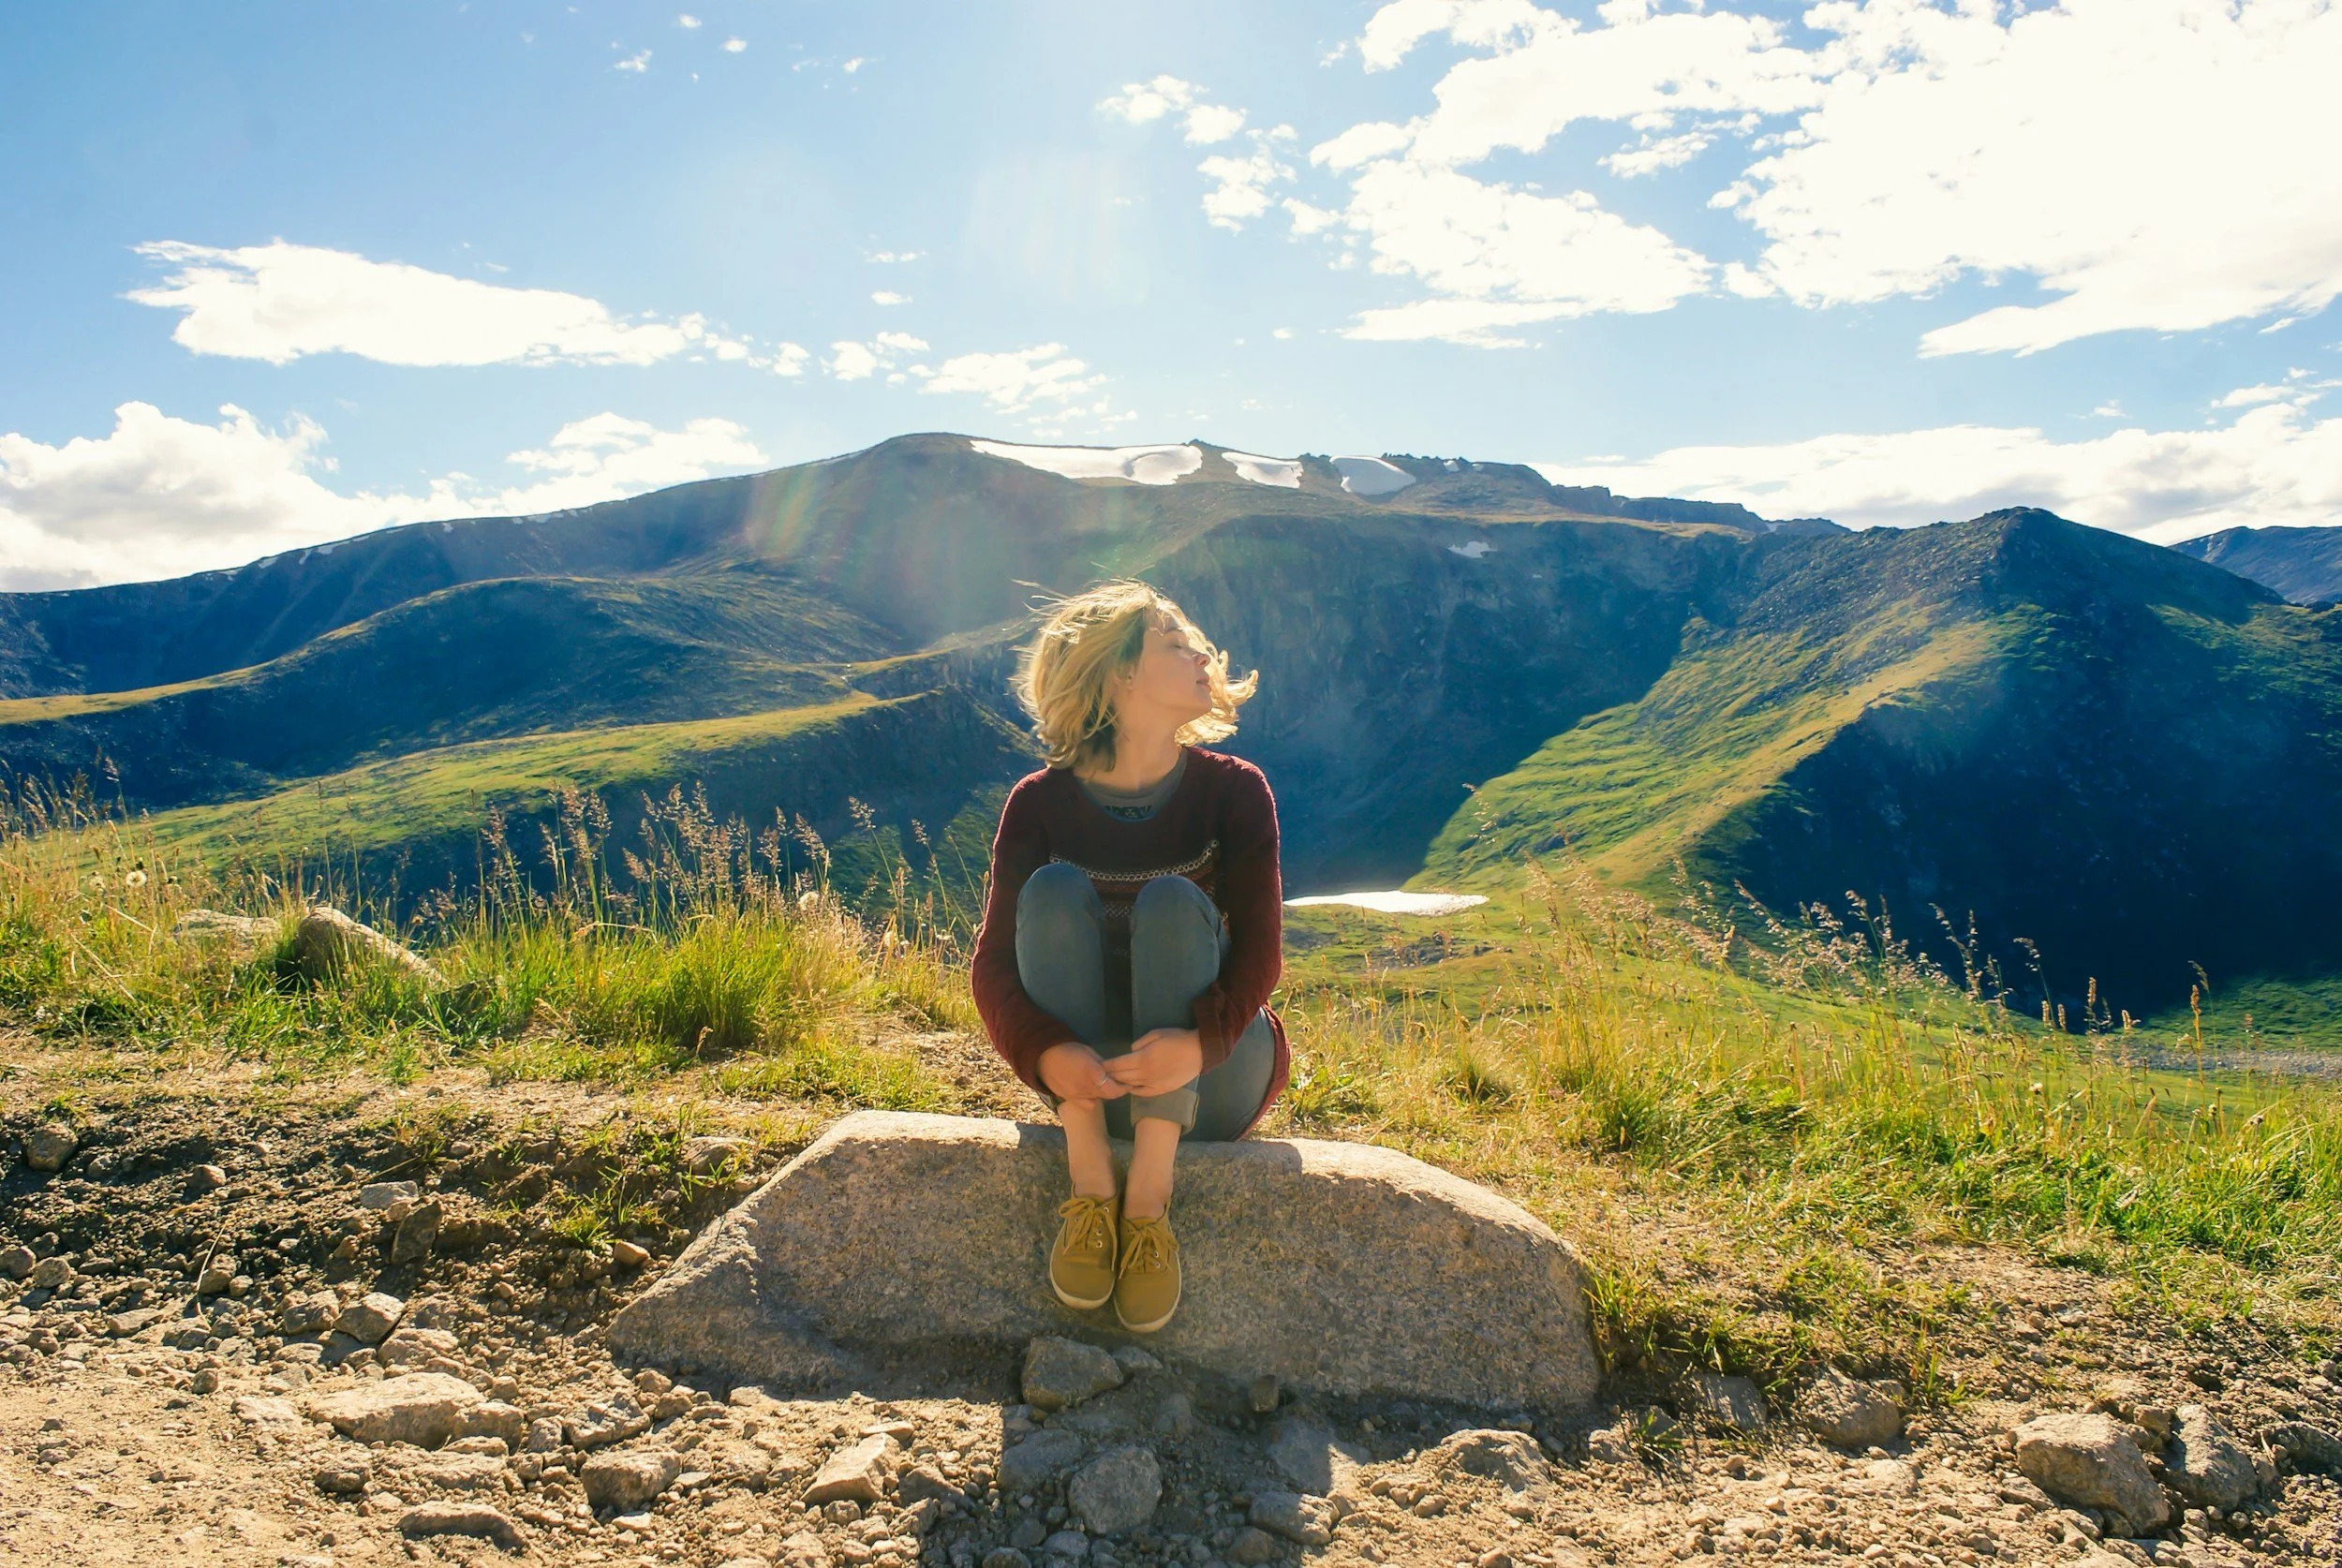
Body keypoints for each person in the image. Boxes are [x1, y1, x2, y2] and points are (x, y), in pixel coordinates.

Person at [970, 579, 1290, 1334]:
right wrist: (1049, 1058)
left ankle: (1147, 1200)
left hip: (1212, 1074)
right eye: (1174, 643)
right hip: (1092, 1080)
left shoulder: (1234, 792)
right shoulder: (1039, 804)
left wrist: (1198, 1044)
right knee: (1050, 892)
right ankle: (1090, 1183)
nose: (1201, 653)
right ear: (1120, 674)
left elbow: (1262, 960)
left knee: (1175, 903)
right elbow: (992, 967)